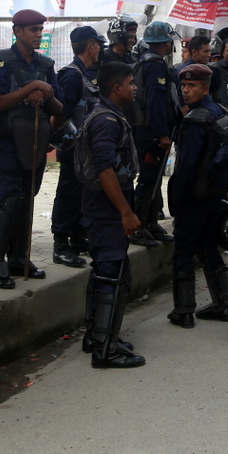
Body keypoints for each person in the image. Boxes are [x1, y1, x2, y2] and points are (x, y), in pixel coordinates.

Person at [0, 9, 63, 287]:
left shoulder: (46, 64)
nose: (38, 35)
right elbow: (1, 102)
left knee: (28, 198)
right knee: (10, 199)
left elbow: (58, 108)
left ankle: (19, 257)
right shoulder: (1, 61)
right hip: (7, 142)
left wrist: (46, 91)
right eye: (33, 30)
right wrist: (33, 86)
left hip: (36, 141)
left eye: (40, 30)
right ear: (17, 31)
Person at [77, 61, 146, 368]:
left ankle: (97, 335)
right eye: (131, 83)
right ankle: (105, 351)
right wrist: (125, 212)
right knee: (112, 271)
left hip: (103, 203)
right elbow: (104, 169)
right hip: (105, 205)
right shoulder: (106, 120)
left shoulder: (109, 113)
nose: (134, 88)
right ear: (117, 88)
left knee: (106, 269)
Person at [167, 63, 228, 327]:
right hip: (215, 193)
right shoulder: (219, 112)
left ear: (205, 88)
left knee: (184, 250)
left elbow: (186, 166)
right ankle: (223, 303)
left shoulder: (196, 119)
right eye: (183, 86)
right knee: (209, 247)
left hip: (195, 197)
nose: (185, 91)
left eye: (191, 86)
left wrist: (177, 199)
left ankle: (183, 311)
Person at [51, 24, 103, 268]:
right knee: (68, 194)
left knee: (81, 194)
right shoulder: (72, 75)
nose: (100, 49)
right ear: (90, 46)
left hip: (85, 150)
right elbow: (61, 113)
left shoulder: (85, 73)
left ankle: (77, 237)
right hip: (73, 148)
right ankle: (60, 244)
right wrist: (70, 141)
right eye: (98, 45)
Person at [128, 20, 182, 248]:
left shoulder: (144, 61)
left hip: (145, 130)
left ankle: (149, 223)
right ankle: (138, 227)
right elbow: (156, 103)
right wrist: (162, 135)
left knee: (154, 179)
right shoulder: (155, 65)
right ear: (167, 42)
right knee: (148, 180)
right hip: (151, 133)